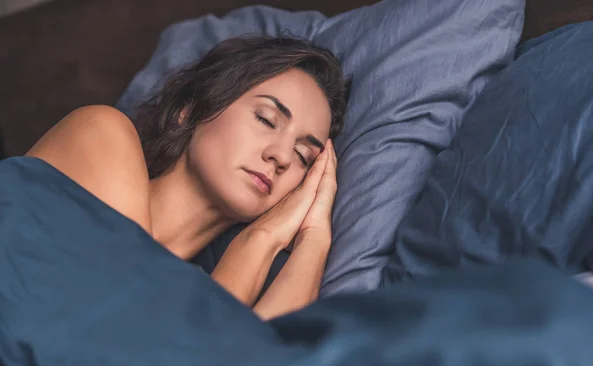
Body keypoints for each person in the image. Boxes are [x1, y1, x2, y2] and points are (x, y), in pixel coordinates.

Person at [25, 36, 350, 320]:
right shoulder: (102, 134)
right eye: (266, 119)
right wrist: (255, 244)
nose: (281, 156)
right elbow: (122, 328)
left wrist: (313, 237)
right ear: (191, 109)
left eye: (303, 157)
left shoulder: (203, 287)